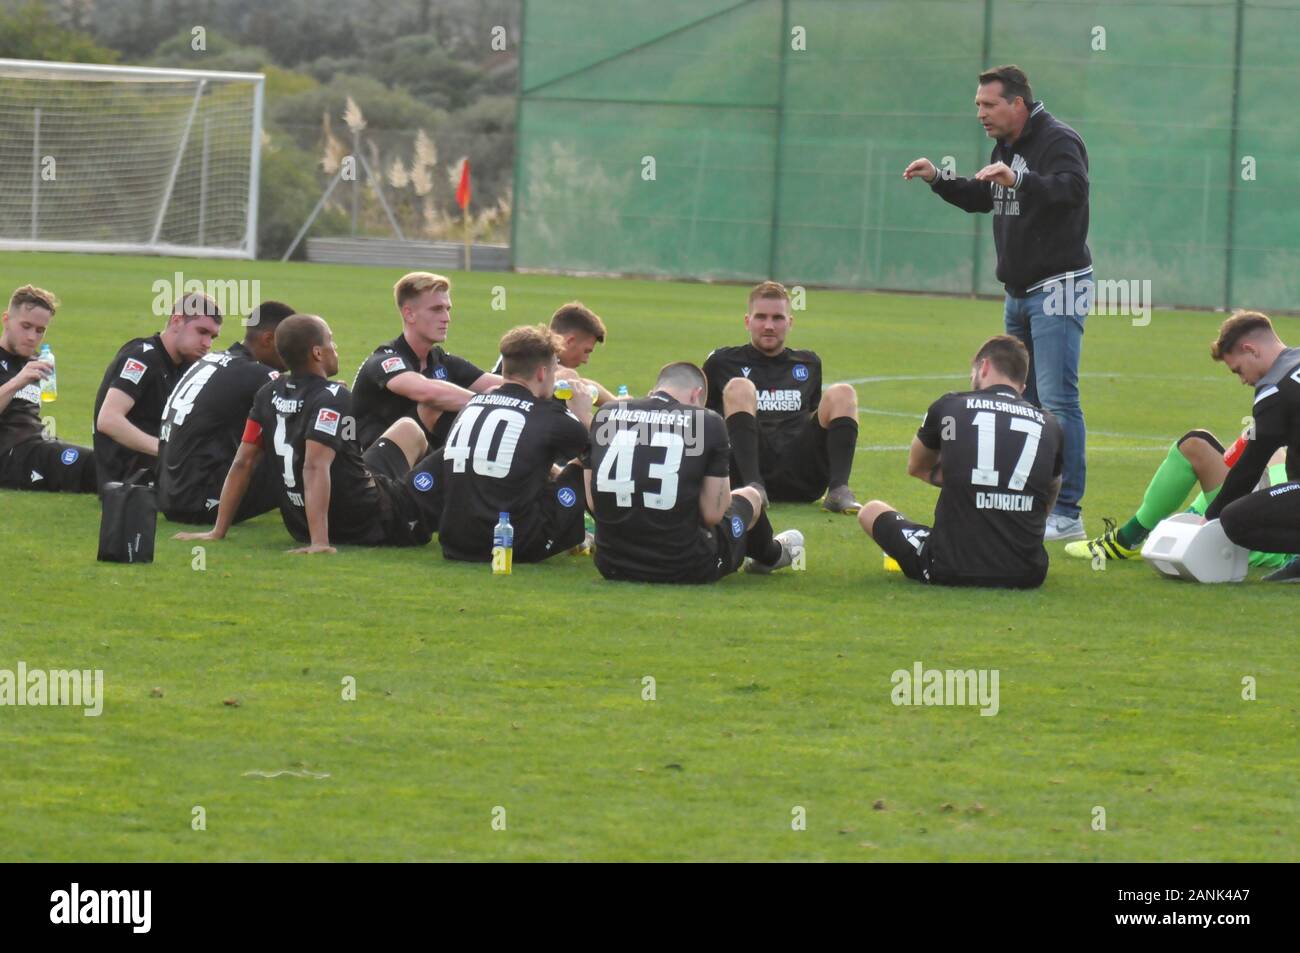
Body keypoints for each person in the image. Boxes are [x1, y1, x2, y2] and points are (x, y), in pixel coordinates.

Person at [904, 64, 1091, 541]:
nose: (981, 114)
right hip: (1019, 292)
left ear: (1017, 105)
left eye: (988, 105)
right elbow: (984, 196)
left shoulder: (1057, 140)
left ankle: (1067, 512)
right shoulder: (1005, 146)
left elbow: (1072, 190)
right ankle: (1029, 503)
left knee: (1058, 400)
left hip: (1059, 286)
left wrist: (1020, 181)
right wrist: (939, 179)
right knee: (1020, 405)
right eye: (977, 106)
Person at [176, 314, 440, 553]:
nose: (335, 348)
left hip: (300, 525)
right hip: (368, 520)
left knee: (408, 428)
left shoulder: (268, 393)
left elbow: (243, 462)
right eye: (331, 341)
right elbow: (315, 467)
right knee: (447, 461)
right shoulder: (334, 397)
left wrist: (217, 531)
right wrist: (320, 543)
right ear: (317, 353)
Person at [858, 335, 1063, 589]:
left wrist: (967, 477)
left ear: (984, 367)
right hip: (1027, 571)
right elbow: (1051, 486)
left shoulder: (950, 406)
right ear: (1021, 387)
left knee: (871, 511)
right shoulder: (1050, 424)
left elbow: (916, 466)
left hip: (950, 565)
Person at [586, 361, 803, 583]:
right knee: (750, 497)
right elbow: (713, 514)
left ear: (653, 391)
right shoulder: (707, 421)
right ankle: (774, 554)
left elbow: (594, 503)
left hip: (612, 564)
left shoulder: (607, 413)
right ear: (696, 395)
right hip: (686, 566)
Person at [437, 324, 593, 563]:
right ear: (542, 373)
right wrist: (583, 415)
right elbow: (604, 451)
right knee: (587, 461)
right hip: (513, 546)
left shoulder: (473, 404)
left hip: (455, 541)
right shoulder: (550, 416)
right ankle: (607, 538)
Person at [702, 280, 861, 514]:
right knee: (740, 387)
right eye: (761, 317)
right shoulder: (722, 362)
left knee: (843, 392)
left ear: (790, 323)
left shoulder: (809, 363)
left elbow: (813, 416)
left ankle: (838, 490)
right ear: (748, 321)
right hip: (744, 475)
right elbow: (700, 419)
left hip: (802, 476)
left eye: (777, 318)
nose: (769, 325)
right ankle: (754, 487)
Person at [1062, 427, 1290, 571]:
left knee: (1195, 444)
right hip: (1272, 531)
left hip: (1256, 542)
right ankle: (1188, 525)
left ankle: (1126, 540)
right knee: (1263, 444)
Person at [157, 301, 294, 523]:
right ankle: (325, 520)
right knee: (308, 443)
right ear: (269, 339)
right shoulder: (260, 375)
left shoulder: (211, 360)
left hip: (168, 495)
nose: (293, 352)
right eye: (290, 343)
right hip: (202, 502)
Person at [1193, 312, 1300, 581]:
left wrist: (1212, 514)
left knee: (1235, 519)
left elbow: (1252, 463)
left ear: (1250, 349)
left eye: (1238, 369)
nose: (1243, 380)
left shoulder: (1274, 388)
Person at [351, 271, 501, 450]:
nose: (446, 318)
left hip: (415, 470)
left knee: (498, 390)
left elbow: (509, 385)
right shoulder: (385, 359)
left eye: (447, 309)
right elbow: (427, 392)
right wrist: (486, 403)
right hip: (374, 469)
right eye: (437, 309)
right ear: (409, 314)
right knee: (433, 406)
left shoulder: (440, 360)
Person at [92, 292, 221, 488]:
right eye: (201, 332)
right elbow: (108, 420)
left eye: (212, 337)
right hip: (129, 476)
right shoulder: (142, 358)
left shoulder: (185, 365)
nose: (207, 344)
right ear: (177, 321)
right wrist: (166, 451)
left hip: (155, 467)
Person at [0, 284, 97, 493]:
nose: (32, 337)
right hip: (9, 456)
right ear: (6, 320)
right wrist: (17, 381)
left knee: (107, 459)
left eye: (40, 330)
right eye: (25, 326)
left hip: (35, 448)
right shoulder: (21, 370)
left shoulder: (33, 361)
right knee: (95, 465)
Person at [490, 301, 616, 404]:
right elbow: (572, 379)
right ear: (570, 341)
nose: (586, 360)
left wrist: (616, 403)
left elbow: (583, 383)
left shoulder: (528, 348)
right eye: (586, 351)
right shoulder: (530, 351)